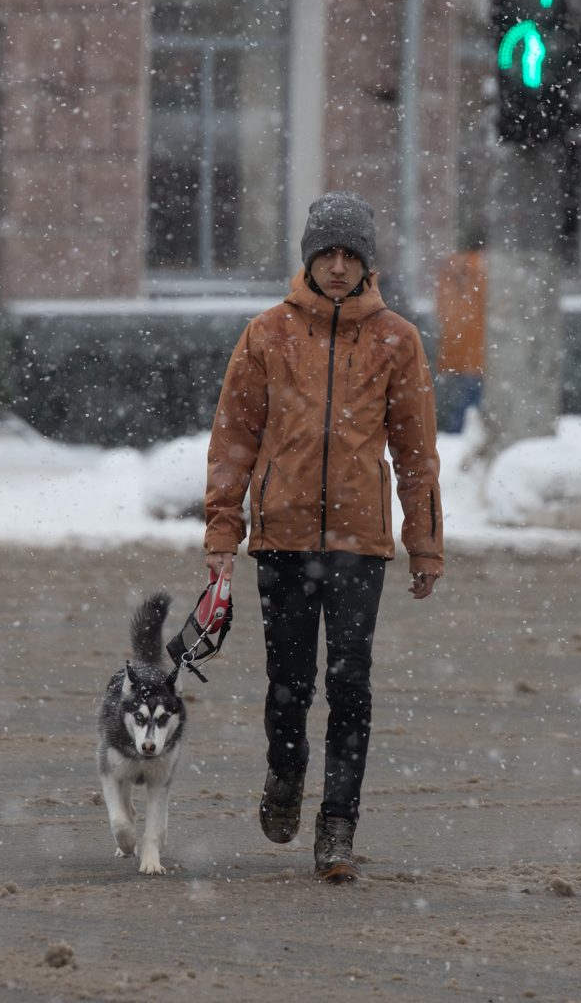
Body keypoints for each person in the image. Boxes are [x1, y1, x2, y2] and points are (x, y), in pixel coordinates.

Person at [204, 191, 444, 883]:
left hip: (359, 543)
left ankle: (339, 823)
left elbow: (417, 450)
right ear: (309, 258)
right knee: (288, 683)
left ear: (366, 264)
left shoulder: (398, 339)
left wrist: (423, 542)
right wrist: (223, 529)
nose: (338, 267)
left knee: (351, 685)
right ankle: (286, 771)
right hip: (280, 537)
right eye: (327, 253)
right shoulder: (265, 335)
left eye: (350, 255)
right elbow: (234, 439)